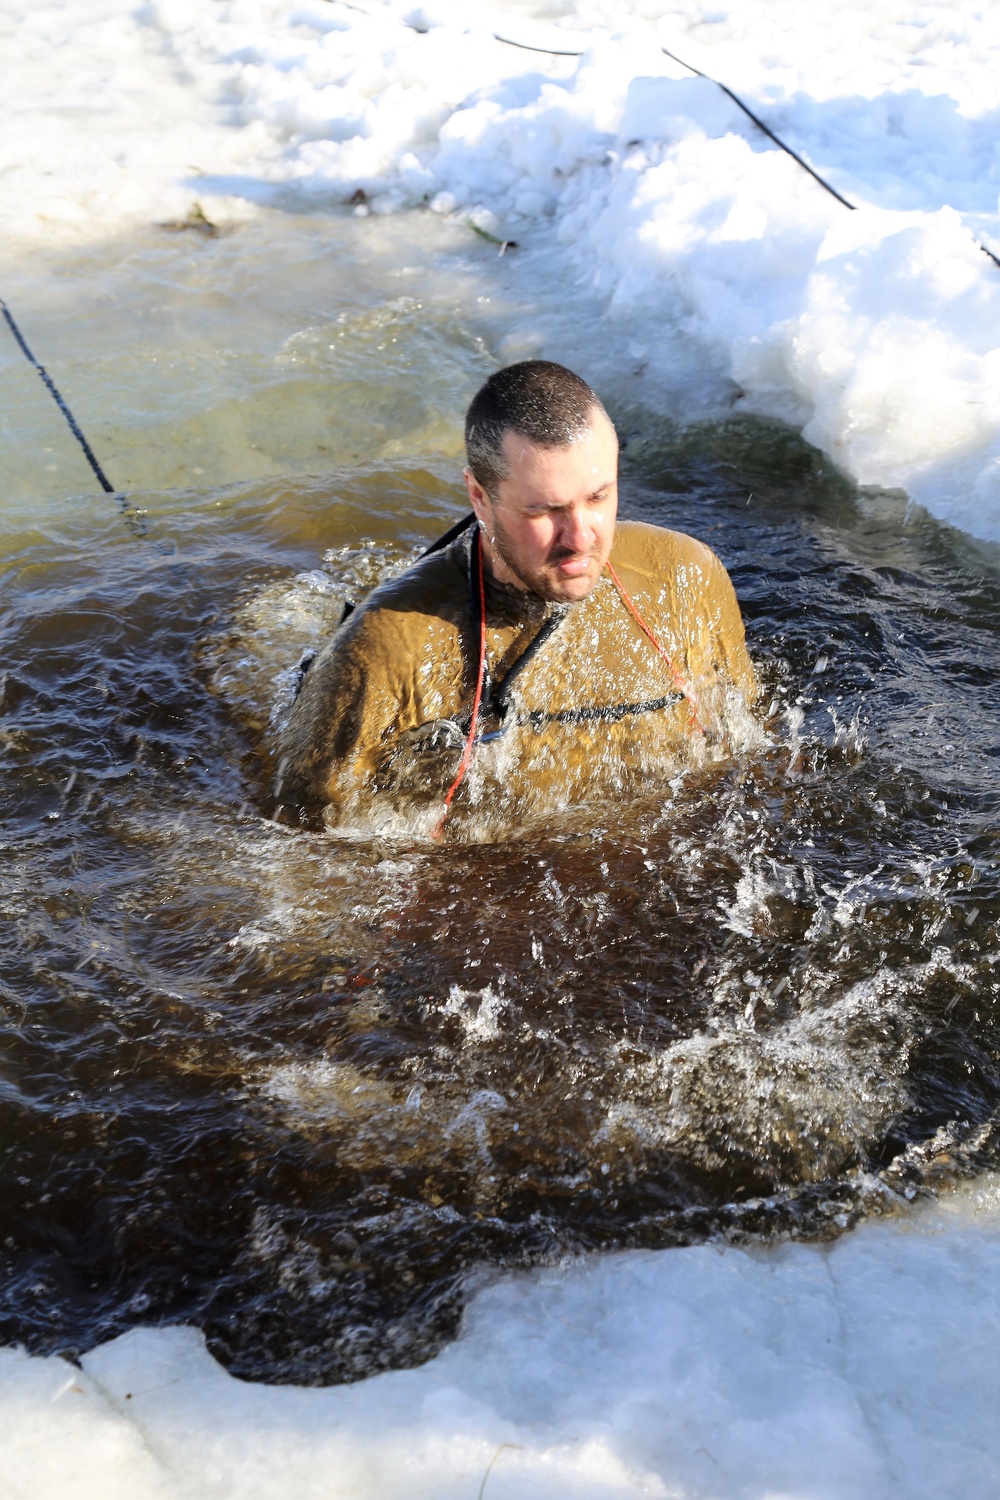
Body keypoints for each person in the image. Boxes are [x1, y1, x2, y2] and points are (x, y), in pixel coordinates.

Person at [275, 360, 756, 833]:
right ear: (479, 496)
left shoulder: (685, 575)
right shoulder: (384, 649)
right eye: (544, 510)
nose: (580, 538)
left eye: (598, 497)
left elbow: (749, 745)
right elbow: (313, 843)